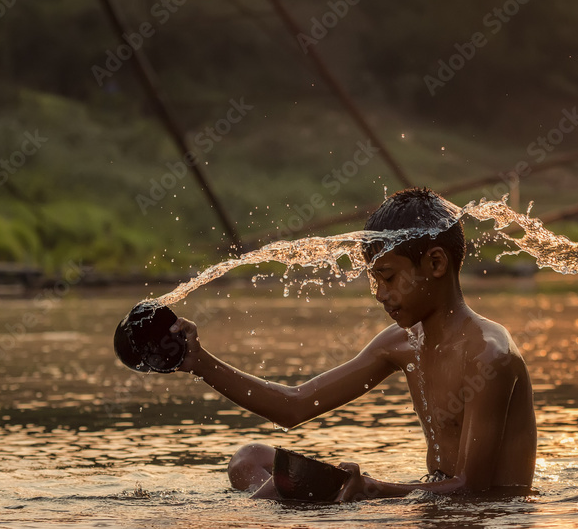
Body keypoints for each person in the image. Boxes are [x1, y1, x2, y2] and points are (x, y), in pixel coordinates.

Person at [170, 187, 537, 501]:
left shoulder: (489, 355)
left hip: (483, 511)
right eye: (375, 280)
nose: (380, 295)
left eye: (389, 278)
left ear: (436, 263)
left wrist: (372, 490)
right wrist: (198, 361)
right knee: (248, 460)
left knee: (280, 493)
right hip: (431, 498)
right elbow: (293, 406)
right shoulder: (401, 343)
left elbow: (472, 491)